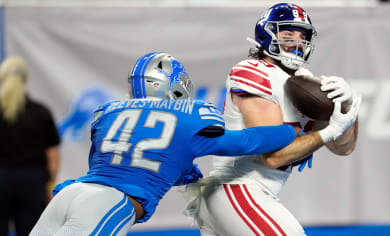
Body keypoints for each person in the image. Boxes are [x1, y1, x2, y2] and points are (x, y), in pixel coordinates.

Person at [29, 52, 303, 235]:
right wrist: (291, 131)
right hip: (109, 202)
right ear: (172, 84)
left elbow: (113, 165)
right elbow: (246, 142)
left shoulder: (109, 110)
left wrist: (174, 171)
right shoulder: (189, 115)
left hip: (71, 193)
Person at [185, 3, 361, 236]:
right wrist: (330, 130)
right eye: (288, 34)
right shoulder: (255, 71)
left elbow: (344, 147)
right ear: (266, 35)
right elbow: (273, 156)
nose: (297, 42)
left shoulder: (304, 84)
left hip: (251, 194)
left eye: (302, 36)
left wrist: (346, 107)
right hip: (237, 190)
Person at [0, 56, 60, 236]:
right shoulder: (41, 112)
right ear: (25, 80)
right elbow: (53, 156)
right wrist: (50, 187)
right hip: (32, 182)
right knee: (31, 232)